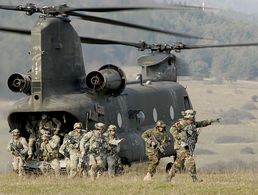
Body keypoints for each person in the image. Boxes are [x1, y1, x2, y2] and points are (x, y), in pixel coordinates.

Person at [167, 109, 220, 182]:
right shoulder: (182, 123)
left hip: (188, 146)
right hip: (181, 147)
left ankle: (169, 177)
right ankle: (194, 179)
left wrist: (212, 121)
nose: (193, 118)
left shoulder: (193, 124)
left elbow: (202, 123)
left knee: (178, 163)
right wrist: (180, 138)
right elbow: (172, 130)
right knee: (190, 160)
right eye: (191, 117)